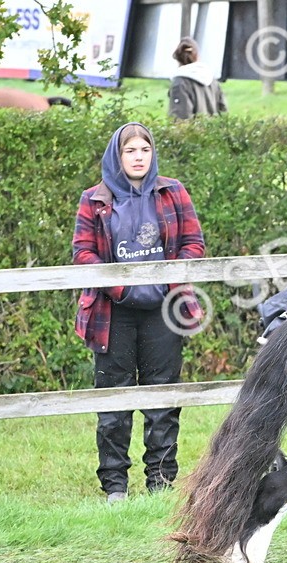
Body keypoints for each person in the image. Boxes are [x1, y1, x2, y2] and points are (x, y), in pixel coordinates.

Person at [73, 122, 206, 502]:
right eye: (130, 151)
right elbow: (83, 254)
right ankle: (115, 486)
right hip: (111, 313)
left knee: (163, 399)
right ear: (117, 155)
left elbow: (194, 245)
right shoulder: (94, 199)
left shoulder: (173, 192)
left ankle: (160, 483)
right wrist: (121, 287)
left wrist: (165, 281)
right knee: (113, 401)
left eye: (144, 150)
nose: (138, 157)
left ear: (152, 154)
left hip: (164, 311)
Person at [168, 36, 226, 120]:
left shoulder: (180, 83)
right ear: (197, 55)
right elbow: (223, 109)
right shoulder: (212, 80)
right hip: (213, 131)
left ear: (177, 58)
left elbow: (181, 117)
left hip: (193, 132)